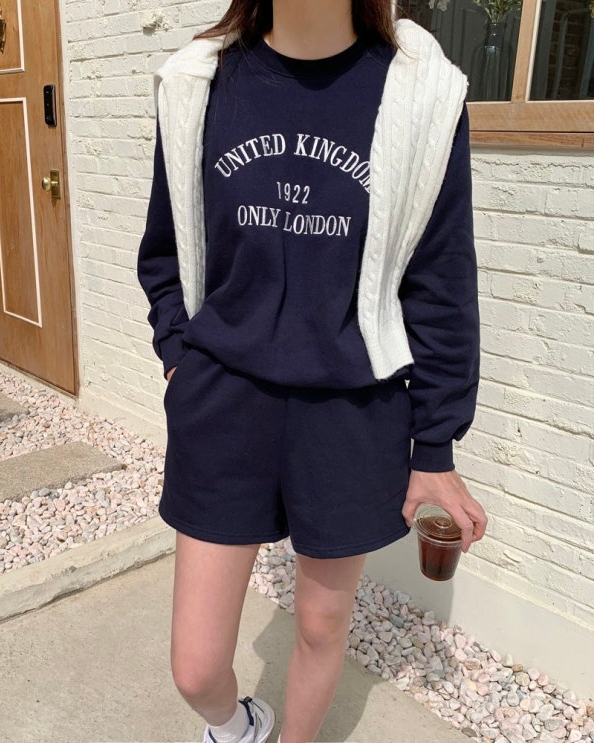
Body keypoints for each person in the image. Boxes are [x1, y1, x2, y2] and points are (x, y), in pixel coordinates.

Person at [137, 1, 488, 741]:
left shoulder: (421, 92)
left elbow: (441, 280)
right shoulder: (197, 82)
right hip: (223, 400)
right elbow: (165, 245)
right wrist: (177, 356)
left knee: (322, 626)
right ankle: (239, 728)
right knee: (196, 668)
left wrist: (435, 447)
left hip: (350, 411)